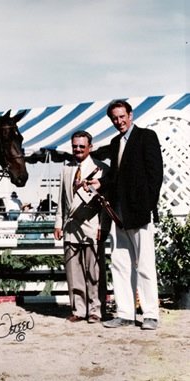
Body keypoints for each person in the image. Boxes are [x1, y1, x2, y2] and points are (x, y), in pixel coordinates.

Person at [90, 99, 163, 330]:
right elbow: (115, 178)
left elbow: (156, 175)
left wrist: (147, 206)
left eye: (122, 116)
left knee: (145, 265)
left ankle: (150, 314)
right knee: (120, 265)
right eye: (114, 118)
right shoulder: (115, 142)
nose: (119, 121)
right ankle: (125, 314)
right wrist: (99, 183)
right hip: (118, 214)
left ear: (130, 115)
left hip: (139, 214)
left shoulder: (146, 137)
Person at [54, 131, 109, 324]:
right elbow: (62, 200)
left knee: (94, 272)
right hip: (70, 228)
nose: (77, 149)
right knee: (74, 271)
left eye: (81, 146)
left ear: (90, 147)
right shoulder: (66, 169)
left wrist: (103, 226)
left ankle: (96, 310)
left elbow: (105, 203)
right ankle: (79, 309)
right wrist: (58, 223)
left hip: (92, 227)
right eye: (75, 146)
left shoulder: (101, 169)